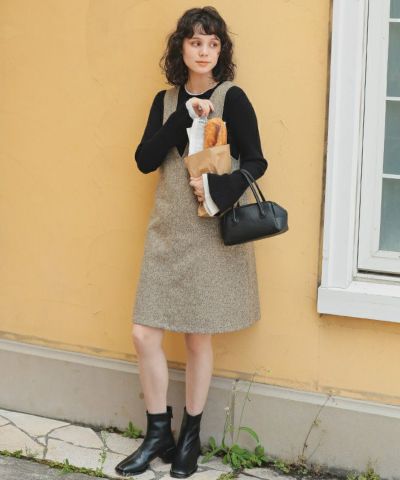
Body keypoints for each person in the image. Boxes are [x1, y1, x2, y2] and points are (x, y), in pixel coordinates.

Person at [115, 6, 268, 479]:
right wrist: (183, 116)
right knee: (144, 334)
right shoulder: (165, 101)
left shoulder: (232, 97)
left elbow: (256, 161)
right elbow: (145, 160)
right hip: (167, 231)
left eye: (213, 43)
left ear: (221, 50)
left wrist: (218, 191)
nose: (204, 51)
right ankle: (158, 433)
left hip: (210, 233)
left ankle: (190, 437)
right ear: (180, 48)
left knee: (198, 338)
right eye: (196, 42)